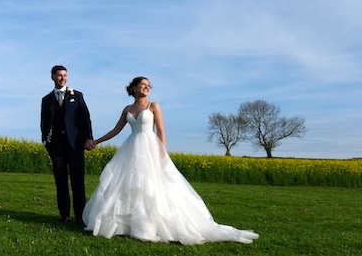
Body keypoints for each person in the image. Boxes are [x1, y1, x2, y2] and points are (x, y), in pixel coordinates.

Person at [82, 77, 259, 244]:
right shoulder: (127, 109)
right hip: (131, 148)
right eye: (143, 84)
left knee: (151, 186)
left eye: (148, 85)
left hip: (149, 148)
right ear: (134, 87)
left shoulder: (153, 106)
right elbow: (116, 130)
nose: (146, 87)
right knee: (129, 185)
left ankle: (147, 226)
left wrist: (161, 154)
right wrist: (96, 141)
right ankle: (128, 225)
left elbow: (161, 131)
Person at [40, 65, 94, 227]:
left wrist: (88, 138)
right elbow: (44, 122)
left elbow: (85, 118)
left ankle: (80, 215)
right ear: (53, 77)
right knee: (60, 180)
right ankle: (64, 214)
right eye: (59, 75)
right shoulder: (47, 99)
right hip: (56, 146)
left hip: (75, 144)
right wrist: (46, 140)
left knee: (78, 181)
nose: (62, 78)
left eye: (65, 75)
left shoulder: (76, 96)